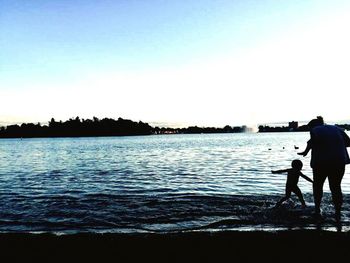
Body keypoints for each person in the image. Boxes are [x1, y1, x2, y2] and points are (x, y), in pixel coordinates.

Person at [298, 116, 350, 217]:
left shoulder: (314, 130)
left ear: (312, 126)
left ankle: (317, 209)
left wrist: (307, 151)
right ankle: (338, 212)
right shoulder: (337, 128)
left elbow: (313, 142)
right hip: (339, 161)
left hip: (321, 162)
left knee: (318, 185)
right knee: (336, 187)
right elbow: (348, 142)